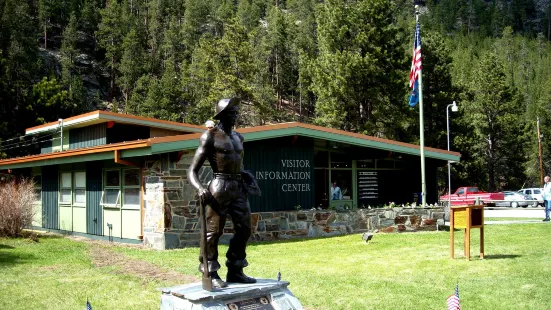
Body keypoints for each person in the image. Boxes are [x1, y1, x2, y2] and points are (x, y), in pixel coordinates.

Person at [188, 98, 260, 289]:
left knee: (244, 229)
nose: (236, 115)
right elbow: (192, 170)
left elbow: (236, 162)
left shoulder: (239, 137)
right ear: (221, 115)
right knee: (213, 232)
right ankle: (210, 272)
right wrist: (200, 187)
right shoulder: (210, 136)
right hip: (218, 188)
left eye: (236, 111)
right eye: (232, 112)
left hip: (238, 187)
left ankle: (235, 270)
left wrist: (244, 174)